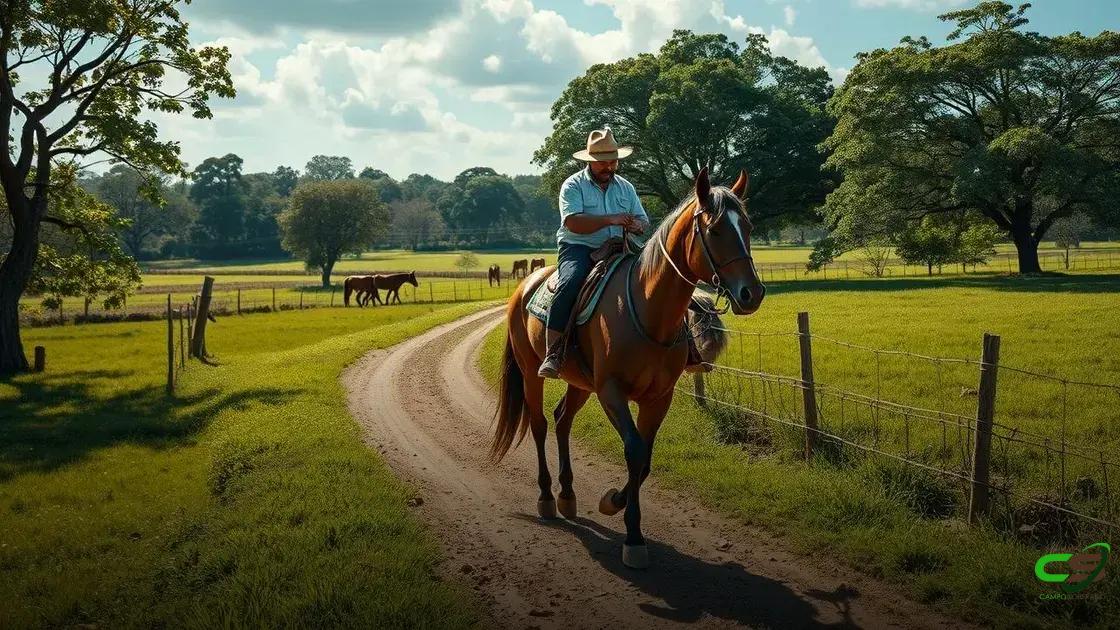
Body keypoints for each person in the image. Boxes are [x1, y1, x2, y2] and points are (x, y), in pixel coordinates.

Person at [538, 127, 650, 378]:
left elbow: (643, 220)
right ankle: (553, 353)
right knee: (571, 281)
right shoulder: (573, 185)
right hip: (579, 247)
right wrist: (611, 219)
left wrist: (637, 225)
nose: (608, 167)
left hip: (621, 246)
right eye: (602, 163)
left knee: (659, 277)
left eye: (613, 161)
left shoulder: (625, 187)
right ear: (590, 162)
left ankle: (687, 346)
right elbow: (573, 222)